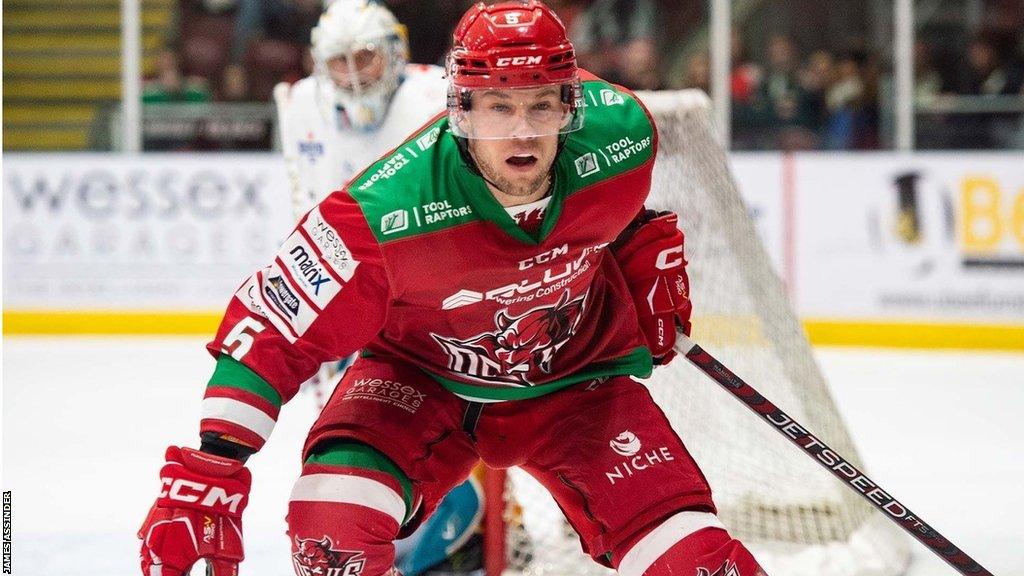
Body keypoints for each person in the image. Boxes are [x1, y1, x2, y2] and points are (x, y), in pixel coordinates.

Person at [137, 2, 769, 576]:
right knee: (331, 531)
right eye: (498, 106)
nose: (522, 131)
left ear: (569, 106)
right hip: (422, 379)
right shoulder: (383, 212)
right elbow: (273, 325)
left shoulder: (622, 138)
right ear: (461, 109)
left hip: (577, 382)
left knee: (699, 562)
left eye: (541, 105)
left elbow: (611, 215)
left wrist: (636, 246)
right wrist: (212, 464)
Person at [275, 2, 482, 574]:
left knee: (445, 429)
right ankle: (395, 542)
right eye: (339, 63)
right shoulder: (301, 105)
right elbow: (308, 206)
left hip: (434, 297)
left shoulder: (439, 95)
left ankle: (465, 536)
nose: (355, 75)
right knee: (357, 434)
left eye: (365, 57)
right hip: (351, 293)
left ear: (394, 50)